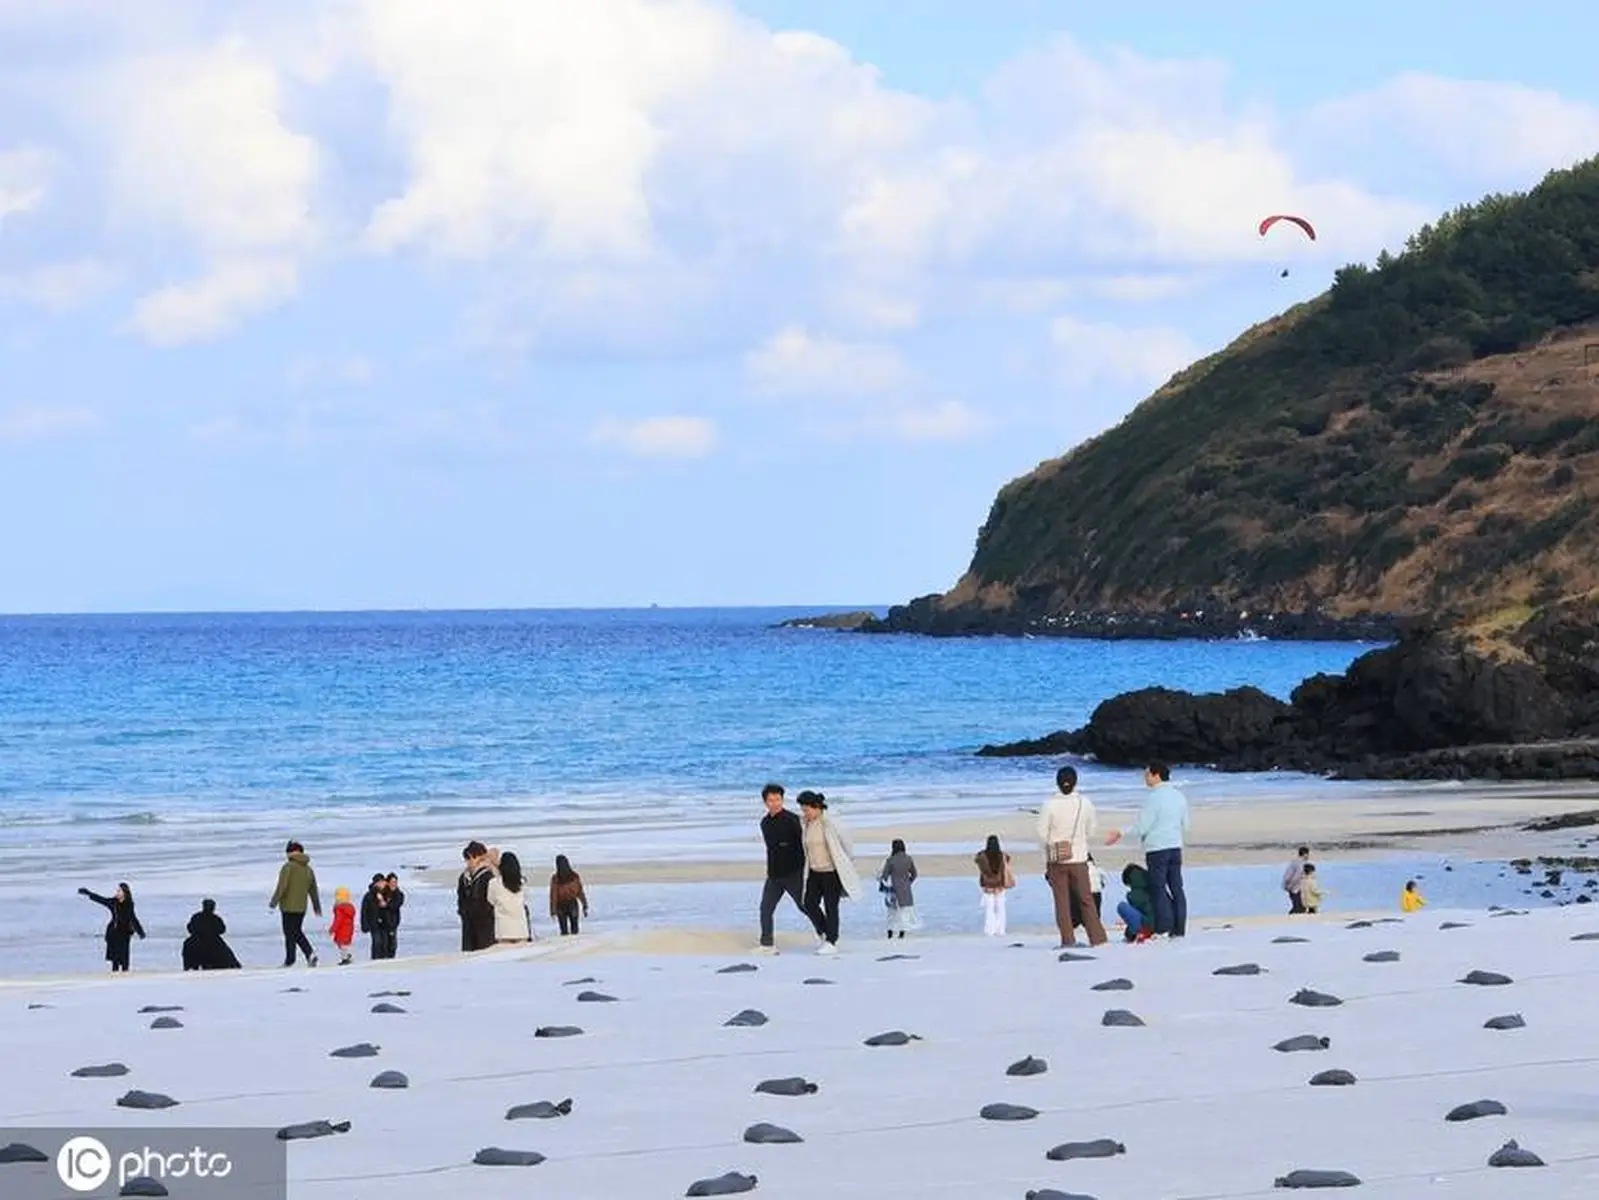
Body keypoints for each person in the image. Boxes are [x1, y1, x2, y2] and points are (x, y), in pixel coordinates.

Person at [1106, 763, 1190, 939]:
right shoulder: (1179, 796)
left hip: (1157, 848)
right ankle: (1179, 929)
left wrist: (1120, 833)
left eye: (1147, 774)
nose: (1145, 777)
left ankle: (1163, 927)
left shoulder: (1153, 798)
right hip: (1175, 847)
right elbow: (1186, 824)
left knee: (1158, 888)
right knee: (1177, 888)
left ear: (1156, 775)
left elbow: (1142, 827)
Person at [1037, 765, 1107, 947]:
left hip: (1057, 859)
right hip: (1079, 857)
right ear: (1075, 782)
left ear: (1057, 783)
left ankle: (1068, 939)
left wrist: (1055, 842)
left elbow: (1042, 833)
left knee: (1062, 901)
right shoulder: (1085, 803)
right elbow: (1091, 830)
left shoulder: (1049, 804)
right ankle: (1098, 938)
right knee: (1086, 899)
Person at [798, 791, 859, 955]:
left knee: (831, 907)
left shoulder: (830, 822)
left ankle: (832, 941)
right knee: (809, 903)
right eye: (803, 810)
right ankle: (825, 932)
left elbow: (847, 844)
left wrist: (845, 862)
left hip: (831, 872)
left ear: (816, 807)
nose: (805, 813)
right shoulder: (806, 823)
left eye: (806, 810)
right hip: (814, 872)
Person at [756, 783, 806, 954]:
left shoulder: (792, 820)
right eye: (771, 800)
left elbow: (803, 846)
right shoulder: (764, 823)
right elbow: (771, 849)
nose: (775, 803)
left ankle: (826, 935)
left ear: (782, 800)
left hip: (793, 873)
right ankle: (767, 944)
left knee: (805, 906)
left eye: (778, 799)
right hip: (774, 875)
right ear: (765, 802)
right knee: (765, 909)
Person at [268, 841, 321, 967]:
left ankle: (298, 957)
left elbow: (282, 886)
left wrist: (273, 903)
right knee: (295, 931)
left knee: (291, 933)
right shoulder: (308, 869)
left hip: (288, 906)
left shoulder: (288, 867)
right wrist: (316, 906)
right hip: (301, 906)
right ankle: (299, 957)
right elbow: (313, 889)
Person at [79, 883, 145, 972]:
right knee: (115, 959)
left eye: (119, 891)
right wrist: (89, 893)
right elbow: (101, 900)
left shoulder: (129, 904)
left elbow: (133, 918)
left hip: (125, 933)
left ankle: (125, 977)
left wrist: (140, 931)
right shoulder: (114, 902)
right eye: (117, 891)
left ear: (125, 892)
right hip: (114, 932)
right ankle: (115, 978)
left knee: (125, 958)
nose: (117, 893)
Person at [487, 849, 533, 944]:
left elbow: (490, 900)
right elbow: (526, 898)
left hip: (503, 928)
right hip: (521, 928)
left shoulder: (494, 883)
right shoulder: (522, 883)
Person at [457, 842, 496, 951]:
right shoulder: (464, 877)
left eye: (470, 858)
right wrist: (462, 912)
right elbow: (461, 898)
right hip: (468, 922)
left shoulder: (488, 875)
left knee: (485, 952)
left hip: (485, 923)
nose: (468, 862)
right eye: (467, 859)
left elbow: (492, 899)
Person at [877, 838, 918, 939]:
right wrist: (909, 882)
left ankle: (890, 933)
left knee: (892, 913)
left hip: (893, 889)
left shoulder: (890, 860)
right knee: (904, 913)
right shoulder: (909, 859)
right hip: (905, 889)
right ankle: (902, 933)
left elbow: (885, 876)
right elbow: (915, 874)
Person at [182, 899, 240, 970]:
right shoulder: (215, 918)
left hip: (197, 939)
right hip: (211, 941)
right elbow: (222, 929)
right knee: (224, 952)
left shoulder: (197, 916)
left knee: (187, 945)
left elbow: (190, 928)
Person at [975, 834, 1014, 937]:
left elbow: (978, 862)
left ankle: (989, 930)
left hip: (987, 885)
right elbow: (1008, 861)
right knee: (1000, 908)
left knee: (989, 908)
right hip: (1000, 884)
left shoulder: (982, 856)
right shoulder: (1002, 855)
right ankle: (1000, 930)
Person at [550, 854, 589, 936]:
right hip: (572, 904)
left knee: (564, 932)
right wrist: (584, 904)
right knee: (575, 930)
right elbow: (580, 892)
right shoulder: (574, 876)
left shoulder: (555, 879)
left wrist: (553, 911)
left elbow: (553, 896)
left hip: (560, 905)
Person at [1116, 862, 1154, 943]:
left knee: (1121, 906)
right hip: (1158, 923)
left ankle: (1140, 932)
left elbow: (1134, 918)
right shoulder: (1151, 883)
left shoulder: (1134, 895)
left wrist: (1129, 933)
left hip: (1147, 925)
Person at [359, 874, 391, 960]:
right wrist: (364, 925)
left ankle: (384, 959)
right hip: (374, 923)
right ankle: (375, 959)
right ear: (375, 883)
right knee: (377, 942)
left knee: (385, 942)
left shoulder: (387, 894)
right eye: (380, 882)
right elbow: (364, 911)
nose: (382, 884)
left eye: (383, 882)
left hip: (385, 922)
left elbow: (391, 907)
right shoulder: (369, 896)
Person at [329, 887, 356, 964]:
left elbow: (337, 920)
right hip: (348, 929)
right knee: (344, 944)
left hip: (342, 929)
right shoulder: (349, 908)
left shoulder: (340, 909)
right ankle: (347, 956)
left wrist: (332, 929)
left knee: (342, 944)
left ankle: (345, 958)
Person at [383, 872, 405, 957]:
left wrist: (386, 904)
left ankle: (391, 958)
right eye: (392, 882)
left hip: (393, 922)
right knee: (383, 943)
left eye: (395, 882)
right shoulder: (382, 893)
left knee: (392, 944)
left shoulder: (399, 894)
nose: (394, 884)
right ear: (387, 882)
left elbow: (396, 905)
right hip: (383, 922)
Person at [1283, 846, 1310, 914]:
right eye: (1307, 854)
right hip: (1296, 888)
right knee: (1299, 907)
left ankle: (1290, 918)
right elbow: (1297, 876)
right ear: (1304, 854)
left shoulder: (1294, 862)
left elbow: (1287, 875)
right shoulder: (1301, 863)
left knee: (1298, 906)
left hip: (1293, 887)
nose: (1308, 856)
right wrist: (1290, 886)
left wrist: (1286, 885)